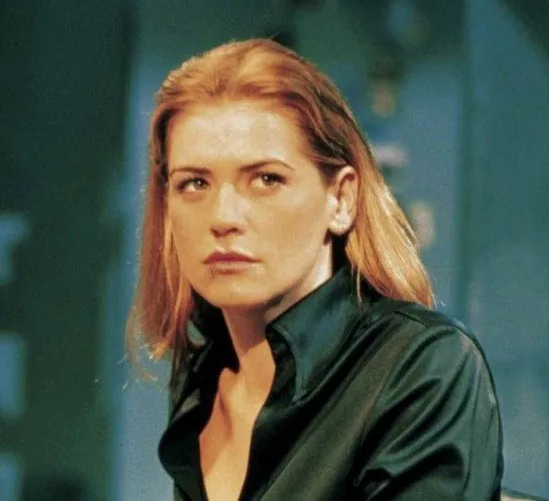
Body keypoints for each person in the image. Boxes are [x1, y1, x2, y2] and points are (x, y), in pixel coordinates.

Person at [129, 38, 504, 501]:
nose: (223, 217)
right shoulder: (201, 380)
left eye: (266, 179)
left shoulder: (421, 366)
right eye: (194, 183)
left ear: (341, 199)